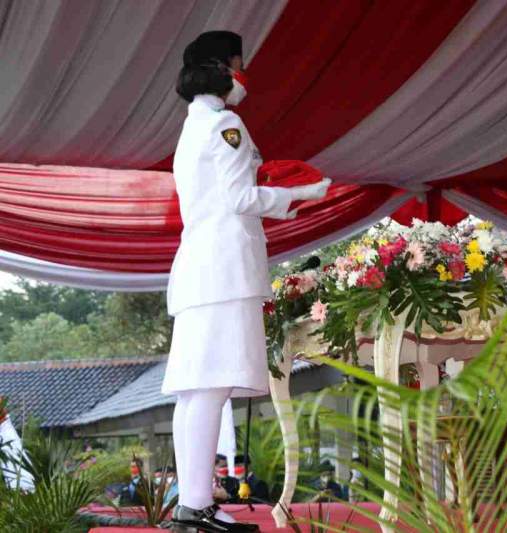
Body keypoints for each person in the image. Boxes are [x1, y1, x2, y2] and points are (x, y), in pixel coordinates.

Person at [162, 30, 330, 533]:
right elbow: (240, 199)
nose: (243, 75)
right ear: (220, 70)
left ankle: (192, 504)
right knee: (208, 389)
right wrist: (299, 195)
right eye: (238, 64)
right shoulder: (225, 124)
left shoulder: (194, 127)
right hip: (224, 272)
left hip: (201, 270)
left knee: (197, 391)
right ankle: (194, 509)